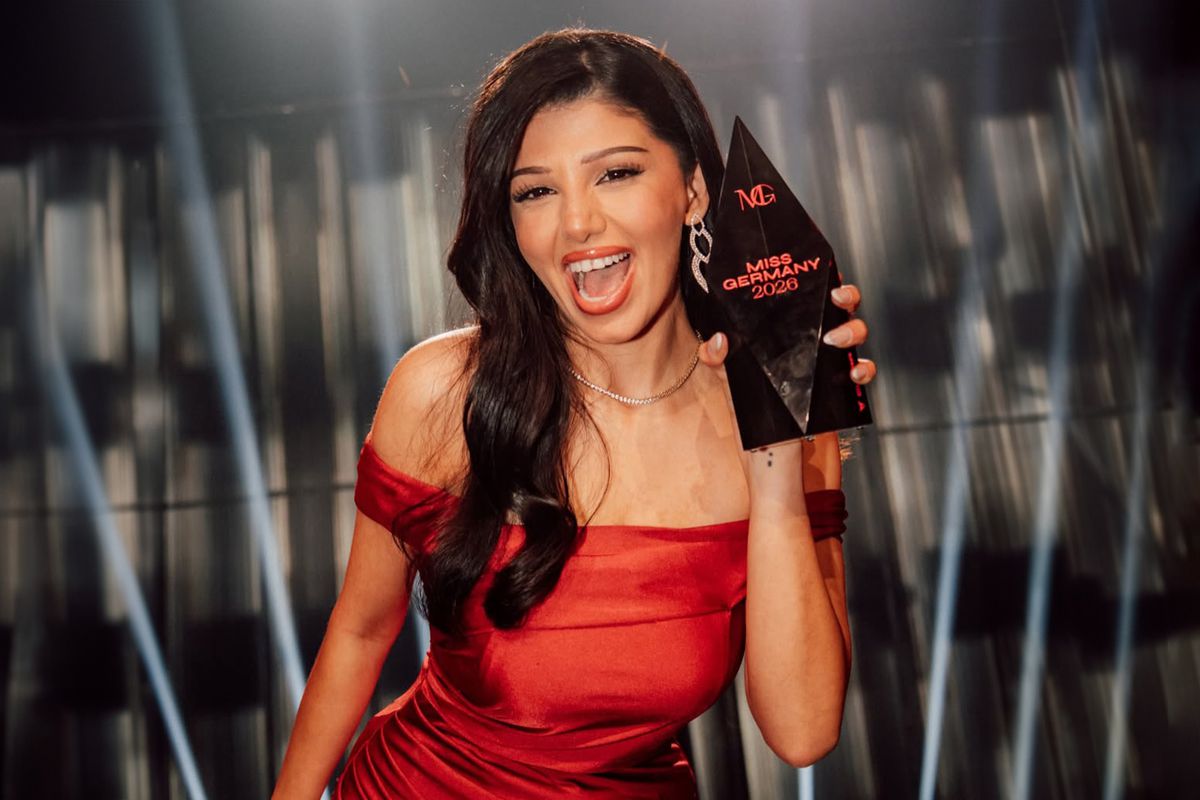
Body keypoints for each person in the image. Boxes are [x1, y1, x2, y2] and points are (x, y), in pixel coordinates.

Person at [273, 28, 876, 799]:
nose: (578, 224)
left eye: (616, 173)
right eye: (536, 191)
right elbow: (360, 633)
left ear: (693, 189)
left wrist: (777, 441)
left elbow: (803, 732)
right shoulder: (442, 390)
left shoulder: (786, 420)